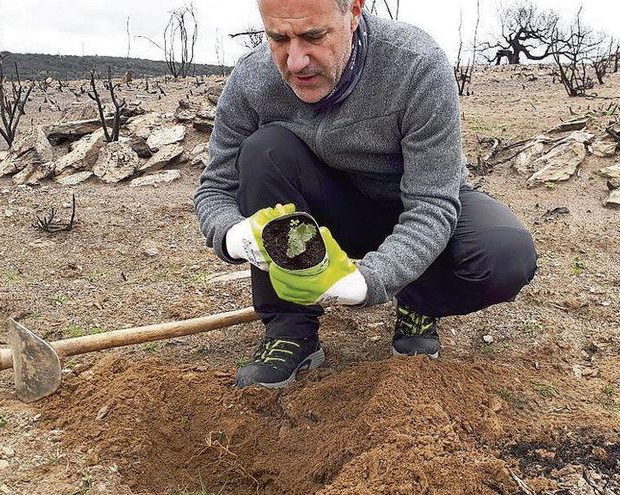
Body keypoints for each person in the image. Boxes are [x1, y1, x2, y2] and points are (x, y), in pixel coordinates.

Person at [193, 0, 537, 389]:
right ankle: (291, 330)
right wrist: (232, 234)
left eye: (313, 36)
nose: (295, 62)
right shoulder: (252, 77)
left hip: (412, 203)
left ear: (354, 12)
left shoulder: (415, 64)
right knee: (263, 150)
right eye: (278, 38)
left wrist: (370, 281)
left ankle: (418, 302)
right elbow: (218, 187)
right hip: (326, 213)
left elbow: (433, 204)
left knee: (504, 257)